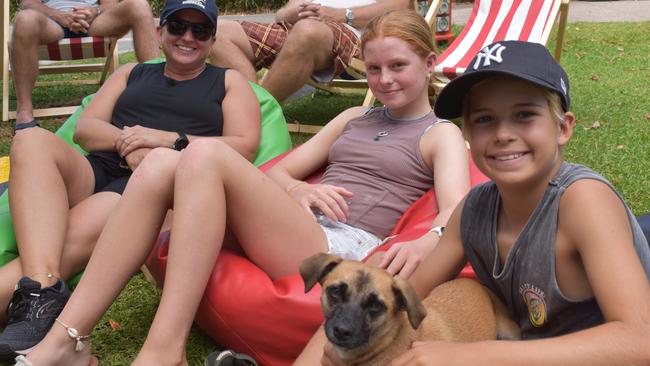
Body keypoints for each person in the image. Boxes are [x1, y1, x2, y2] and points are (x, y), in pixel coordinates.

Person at [17, 10, 470, 366]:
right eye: (373, 68)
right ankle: (64, 339)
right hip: (300, 221)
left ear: (429, 63)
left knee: (205, 154)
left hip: (343, 247)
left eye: (398, 66)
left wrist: (427, 239)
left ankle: (163, 350)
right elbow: (279, 172)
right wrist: (297, 191)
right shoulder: (354, 118)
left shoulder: (439, 133)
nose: (385, 79)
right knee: (157, 165)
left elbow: (455, 207)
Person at [299, 40, 650, 366]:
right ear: (466, 134)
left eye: (525, 114)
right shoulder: (475, 209)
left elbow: (640, 343)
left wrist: (473, 354)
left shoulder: (583, 201)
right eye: (484, 119)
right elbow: (405, 299)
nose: (502, 134)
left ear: (563, 128)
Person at [0, 0, 260, 362]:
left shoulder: (228, 82)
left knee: (69, 235)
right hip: (99, 168)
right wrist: (132, 142)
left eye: (200, 30)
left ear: (212, 40)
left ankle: (32, 298)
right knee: (29, 140)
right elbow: (87, 130)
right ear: (159, 32)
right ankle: (42, 292)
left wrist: (164, 141)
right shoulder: (131, 72)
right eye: (177, 26)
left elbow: (243, 147)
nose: (187, 37)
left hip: (148, 189)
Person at [209, 0, 409, 102]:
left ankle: (257, 114)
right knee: (218, 30)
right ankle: (246, 108)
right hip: (295, 28)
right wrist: (296, 11)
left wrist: (339, 15)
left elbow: (399, 6)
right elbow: (281, 14)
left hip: (351, 32)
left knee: (307, 31)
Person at [10, 0, 161, 126]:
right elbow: (29, 4)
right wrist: (58, 15)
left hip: (95, 23)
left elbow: (110, 4)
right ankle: (24, 110)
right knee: (25, 19)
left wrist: (94, 10)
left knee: (139, 6)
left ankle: (159, 95)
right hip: (51, 24)